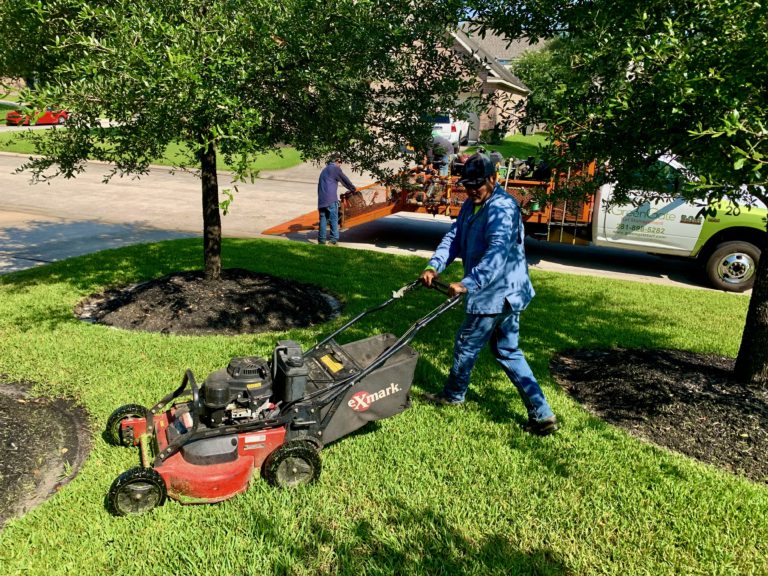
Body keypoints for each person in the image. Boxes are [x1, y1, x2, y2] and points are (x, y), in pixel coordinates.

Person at [419, 153, 559, 436]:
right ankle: (542, 414)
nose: (472, 190)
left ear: (493, 180)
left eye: (477, 185)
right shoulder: (472, 204)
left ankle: (453, 395)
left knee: (466, 344)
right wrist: (434, 265)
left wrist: (467, 283)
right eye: (468, 185)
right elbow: (454, 238)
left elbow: (497, 253)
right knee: (507, 350)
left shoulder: (502, 209)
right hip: (502, 293)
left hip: (497, 293)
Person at [317, 157, 356, 245]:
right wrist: (353, 188)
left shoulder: (324, 170)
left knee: (323, 219)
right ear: (336, 161)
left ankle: (321, 241)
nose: (340, 164)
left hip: (321, 199)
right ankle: (333, 240)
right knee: (334, 219)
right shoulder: (335, 169)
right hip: (330, 199)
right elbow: (344, 179)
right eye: (340, 162)